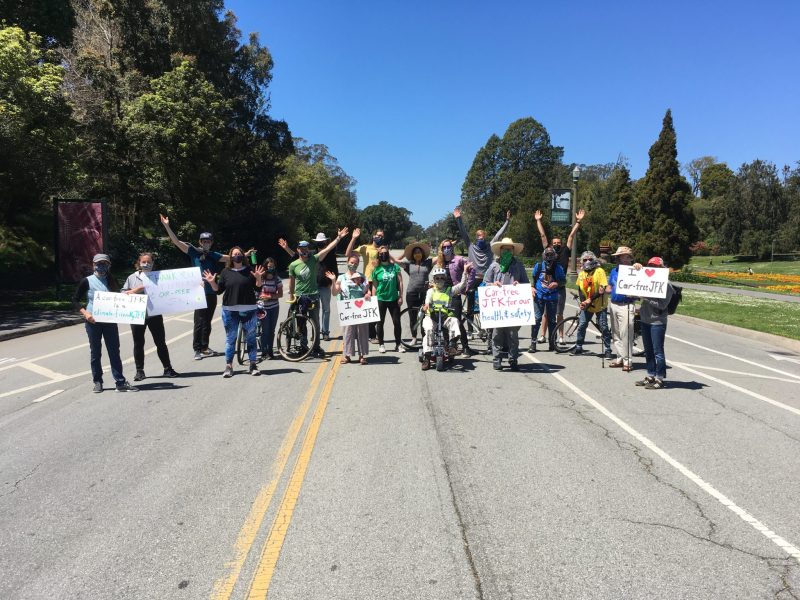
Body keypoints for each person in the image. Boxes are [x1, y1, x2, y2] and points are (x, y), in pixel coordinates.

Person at [160, 214, 228, 360]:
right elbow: (176, 242)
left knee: (207, 322)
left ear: (211, 242)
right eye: (204, 241)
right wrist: (167, 225)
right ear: (200, 241)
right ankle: (197, 349)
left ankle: (205, 347)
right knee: (199, 321)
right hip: (198, 292)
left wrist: (244, 255)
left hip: (211, 292)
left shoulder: (213, 255)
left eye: (208, 241)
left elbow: (229, 257)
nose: (206, 243)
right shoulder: (194, 252)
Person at [73, 253, 137, 393]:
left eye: (104, 263)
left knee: (114, 351)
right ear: (93, 265)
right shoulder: (87, 281)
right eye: (98, 263)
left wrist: (127, 297)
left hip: (109, 321)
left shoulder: (111, 280)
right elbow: (75, 300)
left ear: (109, 265)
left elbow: (117, 298)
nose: (101, 266)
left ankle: (120, 381)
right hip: (93, 322)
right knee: (96, 353)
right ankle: (97, 381)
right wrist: (86, 314)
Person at [202, 247, 265, 377]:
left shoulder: (250, 271)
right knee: (230, 339)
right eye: (234, 254)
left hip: (249, 310)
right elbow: (218, 290)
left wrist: (259, 278)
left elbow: (258, 287)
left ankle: (253, 364)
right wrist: (212, 282)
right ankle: (229, 366)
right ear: (230, 257)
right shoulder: (225, 272)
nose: (237, 256)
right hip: (230, 311)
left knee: (251, 339)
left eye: (239, 254)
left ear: (243, 256)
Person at [287, 228, 349, 357]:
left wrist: (338, 238)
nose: (303, 250)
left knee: (315, 322)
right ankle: (303, 347)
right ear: (298, 249)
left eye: (305, 248)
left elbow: (327, 249)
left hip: (313, 295)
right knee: (301, 323)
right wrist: (291, 295)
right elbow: (291, 282)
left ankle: (316, 347)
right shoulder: (293, 265)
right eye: (301, 248)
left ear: (308, 249)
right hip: (300, 296)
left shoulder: (313, 259)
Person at [122, 252, 179, 381]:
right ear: (139, 263)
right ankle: (139, 371)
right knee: (138, 343)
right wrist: (136, 290)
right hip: (137, 315)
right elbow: (123, 292)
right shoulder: (132, 278)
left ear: (153, 264)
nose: (146, 264)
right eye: (144, 262)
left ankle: (167, 368)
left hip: (155, 314)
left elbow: (173, 289)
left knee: (160, 342)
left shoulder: (159, 277)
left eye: (149, 262)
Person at [534, 208, 585, 344]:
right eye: (554, 243)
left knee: (559, 313)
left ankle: (561, 337)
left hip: (560, 287)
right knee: (545, 313)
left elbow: (571, 236)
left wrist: (578, 222)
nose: (556, 245)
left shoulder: (565, 251)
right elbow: (543, 236)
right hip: (546, 286)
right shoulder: (548, 251)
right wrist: (538, 221)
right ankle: (543, 335)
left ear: (561, 244)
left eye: (558, 243)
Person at [453, 207, 511, 324]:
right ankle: (470, 329)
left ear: (485, 237)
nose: (481, 238)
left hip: (486, 279)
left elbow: (499, 235)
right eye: (479, 236)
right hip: (472, 278)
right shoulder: (471, 246)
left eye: (483, 236)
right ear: (476, 237)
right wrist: (458, 218)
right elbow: (463, 232)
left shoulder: (490, 246)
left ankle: (487, 328)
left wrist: (507, 221)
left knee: (486, 305)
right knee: (470, 304)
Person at [280, 233, 339, 342]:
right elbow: (296, 257)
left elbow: (334, 267)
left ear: (326, 242)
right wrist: (286, 248)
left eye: (323, 242)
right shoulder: (311, 255)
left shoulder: (329, 253)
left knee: (325, 311)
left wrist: (333, 281)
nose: (321, 243)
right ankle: (309, 339)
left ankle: (324, 333)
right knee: (308, 317)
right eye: (319, 242)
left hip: (325, 285)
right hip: (312, 287)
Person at [483, 237, 529, 371]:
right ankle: (497, 359)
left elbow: (526, 283)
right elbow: (485, 282)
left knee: (512, 335)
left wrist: (519, 285)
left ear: (513, 251)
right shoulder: (494, 266)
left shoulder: (518, 266)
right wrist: (493, 284)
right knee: (497, 334)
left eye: (509, 249)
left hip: (513, 307)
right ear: (500, 251)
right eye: (504, 250)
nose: (507, 252)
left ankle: (513, 358)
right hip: (498, 306)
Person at [419, 264, 472, 370]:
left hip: (444, 317)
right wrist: (426, 307)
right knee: (429, 330)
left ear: (445, 278)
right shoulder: (431, 291)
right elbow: (427, 302)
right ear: (434, 279)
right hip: (432, 316)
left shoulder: (449, 290)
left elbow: (462, 285)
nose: (439, 280)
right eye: (437, 278)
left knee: (455, 321)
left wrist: (465, 272)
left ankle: (452, 346)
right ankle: (427, 358)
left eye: (442, 277)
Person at [634, 257, 675, 390]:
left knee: (658, 351)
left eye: (656, 266)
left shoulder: (667, 284)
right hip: (645, 319)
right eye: (651, 265)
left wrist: (645, 297)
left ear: (662, 268)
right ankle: (651, 375)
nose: (653, 268)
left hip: (657, 322)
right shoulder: (647, 280)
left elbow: (662, 305)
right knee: (649, 350)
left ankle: (660, 378)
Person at [345, 227, 386, 341]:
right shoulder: (366, 248)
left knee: (376, 309)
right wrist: (353, 238)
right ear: (373, 236)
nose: (380, 238)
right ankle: (366, 334)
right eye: (378, 235)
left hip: (380, 281)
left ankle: (372, 334)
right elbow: (348, 253)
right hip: (367, 280)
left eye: (382, 236)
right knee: (366, 308)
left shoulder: (383, 249)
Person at [435, 238, 475, 354]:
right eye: (444, 247)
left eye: (448, 247)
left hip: (454, 293)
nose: (446, 249)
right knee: (444, 321)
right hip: (443, 294)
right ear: (441, 249)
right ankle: (448, 347)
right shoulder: (440, 262)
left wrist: (467, 286)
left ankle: (465, 346)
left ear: (452, 248)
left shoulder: (459, 260)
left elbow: (472, 270)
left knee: (456, 320)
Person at [330, 253, 371, 365]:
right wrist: (333, 281)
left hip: (361, 308)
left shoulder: (362, 277)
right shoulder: (341, 277)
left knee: (362, 332)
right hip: (347, 309)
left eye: (356, 263)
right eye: (351, 262)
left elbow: (368, 290)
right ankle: (347, 355)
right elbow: (334, 292)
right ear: (348, 262)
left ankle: (362, 356)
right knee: (348, 332)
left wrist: (368, 294)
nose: (353, 265)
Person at [570, 250, 612, 358]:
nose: (588, 261)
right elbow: (580, 288)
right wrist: (583, 301)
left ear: (594, 260)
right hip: (588, 305)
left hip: (600, 304)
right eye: (585, 259)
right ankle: (579, 346)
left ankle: (608, 349)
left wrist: (590, 300)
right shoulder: (582, 273)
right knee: (582, 325)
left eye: (590, 259)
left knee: (603, 326)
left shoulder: (599, 271)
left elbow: (602, 289)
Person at [605, 246, 638, 371]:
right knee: (616, 333)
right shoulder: (615, 270)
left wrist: (638, 266)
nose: (619, 258)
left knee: (626, 333)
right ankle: (620, 357)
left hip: (627, 304)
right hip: (614, 303)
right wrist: (606, 289)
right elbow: (610, 286)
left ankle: (628, 361)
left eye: (622, 256)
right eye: (618, 256)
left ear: (629, 257)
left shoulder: (634, 270)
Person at [528, 246, 566, 353]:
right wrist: (532, 287)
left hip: (552, 297)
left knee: (552, 320)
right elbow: (534, 279)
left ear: (555, 256)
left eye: (551, 255)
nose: (549, 257)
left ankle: (552, 343)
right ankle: (533, 342)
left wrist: (557, 283)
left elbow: (563, 281)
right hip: (539, 296)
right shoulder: (539, 266)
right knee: (537, 319)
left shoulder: (558, 268)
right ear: (544, 255)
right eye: (547, 255)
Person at [371, 246, 405, 353]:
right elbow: (374, 286)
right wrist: (373, 299)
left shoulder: (395, 267)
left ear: (388, 254)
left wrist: (400, 296)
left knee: (397, 322)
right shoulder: (376, 270)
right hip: (381, 298)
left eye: (385, 253)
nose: (383, 255)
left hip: (393, 298)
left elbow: (400, 282)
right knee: (380, 323)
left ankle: (398, 344)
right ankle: (381, 344)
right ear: (379, 256)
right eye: (381, 253)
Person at [400, 241, 432, 345]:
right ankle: (414, 337)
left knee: (424, 316)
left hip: (424, 293)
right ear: (412, 255)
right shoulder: (409, 265)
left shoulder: (428, 263)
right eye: (415, 252)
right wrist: (405, 251)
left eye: (419, 252)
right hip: (411, 293)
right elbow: (396, 261)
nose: (417, 254)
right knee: (412, 317)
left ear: (422, 253)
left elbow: (440, 257)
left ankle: (424, 337)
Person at [257, 256, 283, 360]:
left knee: (271, 330)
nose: (270, 268)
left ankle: (270, 351)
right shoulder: (261, 278)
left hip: (274, 307)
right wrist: (260, 297)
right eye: (268, 266)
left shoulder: (277, 279)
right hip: (263, 307)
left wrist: (270, 296)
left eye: (272, 267)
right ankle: (264, 352)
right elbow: (256, 290)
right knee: (265, 330)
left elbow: (280, 294)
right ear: (265, 267)